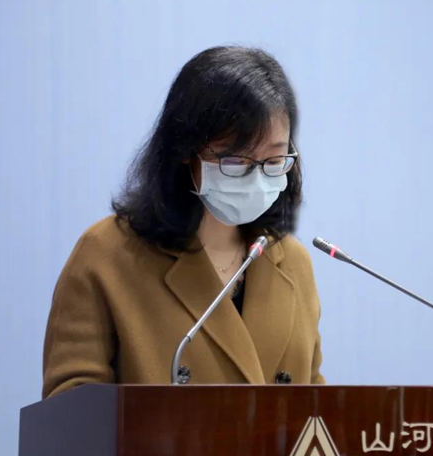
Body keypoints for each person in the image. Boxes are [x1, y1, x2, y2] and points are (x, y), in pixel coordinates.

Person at [42, 46, 325, 399]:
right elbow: (71, 411)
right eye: (235, 161)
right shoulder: (106, 254)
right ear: (185, 151)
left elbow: (315, 404)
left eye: (273, 160)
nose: (256, 179)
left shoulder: (293, 263)